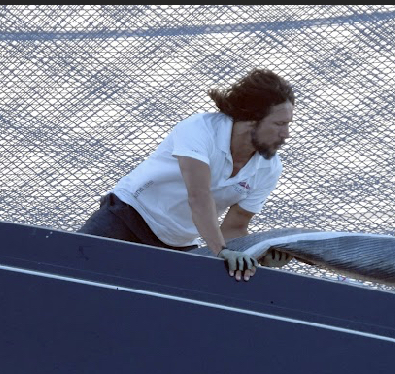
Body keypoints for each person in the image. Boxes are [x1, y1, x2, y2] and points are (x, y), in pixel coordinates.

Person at [78, 68, 294, 281]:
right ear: (253, 119)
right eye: (279, 124)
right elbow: (198, 196)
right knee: (72, 269)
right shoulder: (200, 129)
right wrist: (221, 251)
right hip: (126, 216)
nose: (286, 134)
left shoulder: (270, 168)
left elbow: (234, 228)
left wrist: (260, 255)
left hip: (179, 244)